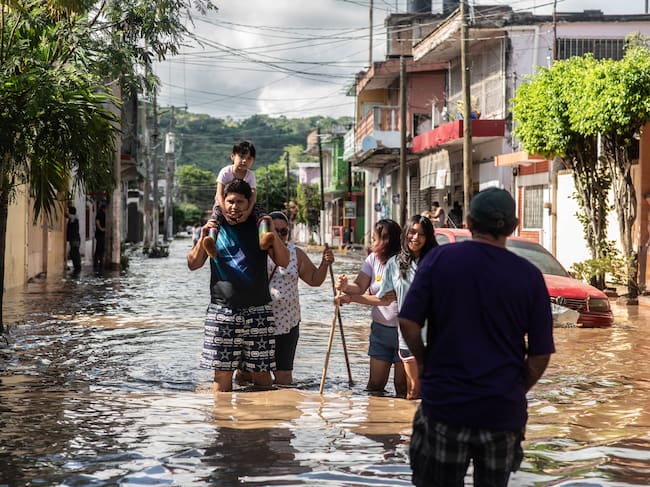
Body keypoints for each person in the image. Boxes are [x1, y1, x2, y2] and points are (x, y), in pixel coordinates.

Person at [399, 187, 555, 487]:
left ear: (468, 221)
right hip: (502, 414)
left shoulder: (439, 260)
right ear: (513, 226)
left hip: (445, 407)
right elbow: (540, 356)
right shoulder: (529, 276)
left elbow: (407, 321)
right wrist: (514, 389)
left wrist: (425, 362)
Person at [187, 179, 289, 393]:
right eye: (230, 201)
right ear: (223, 201)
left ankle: (264, 425)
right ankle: (222, 424)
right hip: (222, 310)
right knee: (222, 374)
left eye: (240, 202)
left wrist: (272, 231)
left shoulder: (259, 227)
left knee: (262, 374)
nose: (234, 206)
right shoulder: (215, 228)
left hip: (259, 310)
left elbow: (283, 261)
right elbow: (193, 264)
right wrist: (202, 238)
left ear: (248, 202)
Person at [336, 219, 406, 397]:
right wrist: (345, 286)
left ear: (386, 240)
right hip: (380, 331)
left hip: (404, 333)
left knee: (402, 387)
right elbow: (359, 285)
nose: (371, 243)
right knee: (375, 386)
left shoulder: (402, 262)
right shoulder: (372, 259)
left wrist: (351, 298)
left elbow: (382, 299)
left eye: (374, 239)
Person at [265, 211, 335, 384]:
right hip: (261, 321)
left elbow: (314, 280)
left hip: (288, 322)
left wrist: (325, 263)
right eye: (276, 231)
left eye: (284, 231)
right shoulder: (258, 251)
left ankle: (286, 409)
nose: (280, 235)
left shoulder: (295, 253)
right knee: (255, 374)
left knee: (284, 375)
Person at [375, 215, 437, 400]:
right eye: (412, 232)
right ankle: (408, 425)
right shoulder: (394, 264)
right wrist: (349, 296)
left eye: (421, 234)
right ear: (405, 234)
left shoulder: (437, 261)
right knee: (414, 390)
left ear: (428, 237)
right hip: (409, 337)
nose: (416, 238)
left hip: (436, 336)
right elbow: (383, 297)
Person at [203, 140, 273, 257]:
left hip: (244, 206)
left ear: (253, 161)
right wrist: (225, 213)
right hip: (223, 205)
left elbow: (253, 196)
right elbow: (219, 194)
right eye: (241, 156)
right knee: (215, 220)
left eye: (249, 158)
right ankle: (211, 242)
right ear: (233, 156)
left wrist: (247, 212)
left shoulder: (251, 175)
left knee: (262, 214)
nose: (245, 161)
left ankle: (263, 237)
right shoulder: (225, 172)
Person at [66, 206, 82, 274]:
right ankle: (77, 266)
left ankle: (77, 266)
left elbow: (67, 215)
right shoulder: (75, 218)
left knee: (74, 252)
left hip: (74, 238)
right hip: (75, 238)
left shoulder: (74, 218)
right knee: (74, 252)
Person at [94, 202, 106, 270]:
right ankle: (97, 263)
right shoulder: (99, 214)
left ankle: (100, 262)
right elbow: (97, 222)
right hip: (99, 234)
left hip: (101, 234)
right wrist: (101, 229)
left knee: (101, 249)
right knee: (99, 248)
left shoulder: (104, 214)